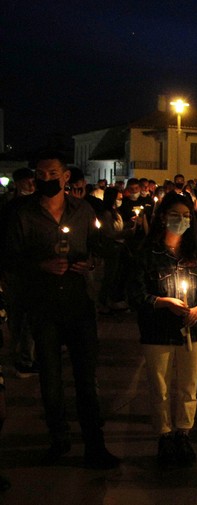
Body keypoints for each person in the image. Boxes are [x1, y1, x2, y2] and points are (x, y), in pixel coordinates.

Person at [4, 152, 120, 468]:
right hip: (43, 307)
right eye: (40, 174)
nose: (46, 179)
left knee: (86, 379)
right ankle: (59, 440)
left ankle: (94, 445)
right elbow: (10, 258)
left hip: (78, 304)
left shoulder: (82, 211)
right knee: (50, 382)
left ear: (65, 176)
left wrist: (91, 262)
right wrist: (40, 264)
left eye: (52, 172)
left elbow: (99, 244)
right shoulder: (23, 214)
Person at [128, 191, 197, 467]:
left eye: (186, 216)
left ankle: (183, 433)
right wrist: (162, 302)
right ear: (161, 218)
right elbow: (135, 294)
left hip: (194, 332)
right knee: (160, 387)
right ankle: (164, 435)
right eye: (174, 215)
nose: (181, 220)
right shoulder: (147, 254)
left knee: (188, 386)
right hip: (157, 331)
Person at [0, 168, 38, 378]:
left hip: (26, 268)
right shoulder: (11, 208)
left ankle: (24, 355)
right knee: (20, 315)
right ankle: (23, 358)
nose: (31, 186)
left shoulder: (32, 204)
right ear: (17, 183)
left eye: (33, 181)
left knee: (25, 315)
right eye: (27, 182)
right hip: (17, 268)